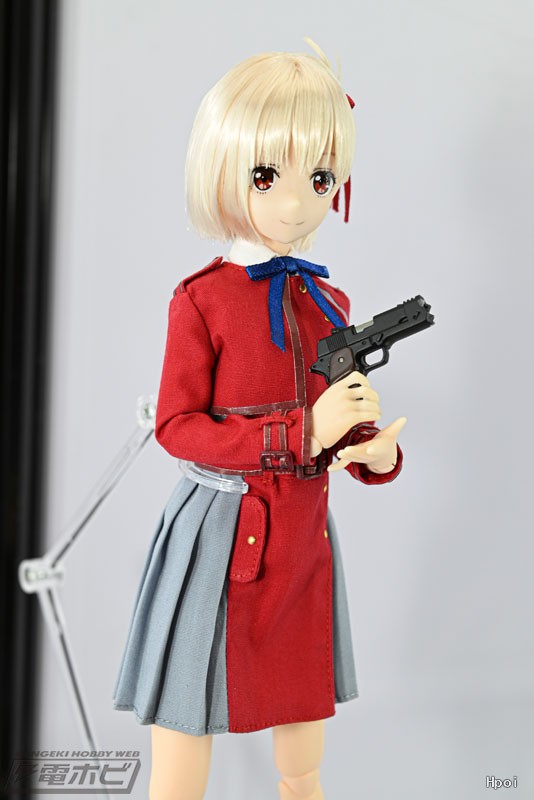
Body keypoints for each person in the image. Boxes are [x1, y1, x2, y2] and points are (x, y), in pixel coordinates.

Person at [113, 41, 406, 800]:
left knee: (302, 734)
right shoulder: (202, 300)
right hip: (220, 528)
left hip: (301, 535)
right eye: (267, 175)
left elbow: (338, 428)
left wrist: (369, 450)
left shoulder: (329, 304)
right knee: (185, 718)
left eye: (320, 179)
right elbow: (178, 426)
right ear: (226, 166)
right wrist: (297, 434)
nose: (296, 203)